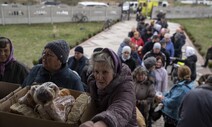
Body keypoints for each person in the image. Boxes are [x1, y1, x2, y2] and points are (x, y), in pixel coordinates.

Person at [80, 48, 137, 127]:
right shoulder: (93, 82)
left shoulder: (126, 86)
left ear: (114, 72)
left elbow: (121, 109)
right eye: (96, 72)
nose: (99, 77)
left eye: (105, 72)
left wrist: (100, 124)